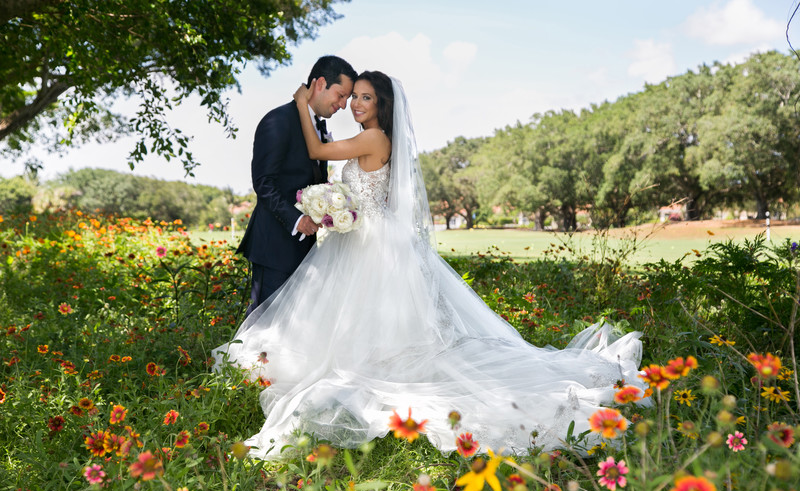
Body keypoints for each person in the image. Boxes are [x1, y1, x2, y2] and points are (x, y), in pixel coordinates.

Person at [214, 71, 646, 459]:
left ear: (381, 105)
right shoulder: (376, 140)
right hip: (363, 237)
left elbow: (315, 147)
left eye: (364, 98)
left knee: (362, 318)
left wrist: (299, 101)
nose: (356, 105)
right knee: (359, 317)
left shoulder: (374, 137)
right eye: (353, 97)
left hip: (370, 244)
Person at [236, 55, 357, 317]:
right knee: (264, 324)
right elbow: (264, 184)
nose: (344, 105)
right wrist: (297, 220)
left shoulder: (318, 127)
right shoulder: (278, 120)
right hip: (275, 246)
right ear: (321, 83)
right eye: (341, 95)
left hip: (307, 248)